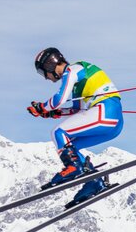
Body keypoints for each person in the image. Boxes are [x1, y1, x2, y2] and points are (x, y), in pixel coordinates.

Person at [28, 48, 124, 208]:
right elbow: (77, 111)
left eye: (43, 72)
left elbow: (59, 98)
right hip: (112, 122)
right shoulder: (77, 84)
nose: (45, 78)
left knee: (58, 132)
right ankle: (94, 182)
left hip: (105, 111)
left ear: (50, 64)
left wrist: (42, 107)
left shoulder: (73, 70)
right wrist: (52, 113)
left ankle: (73, 167)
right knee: (71, 145)